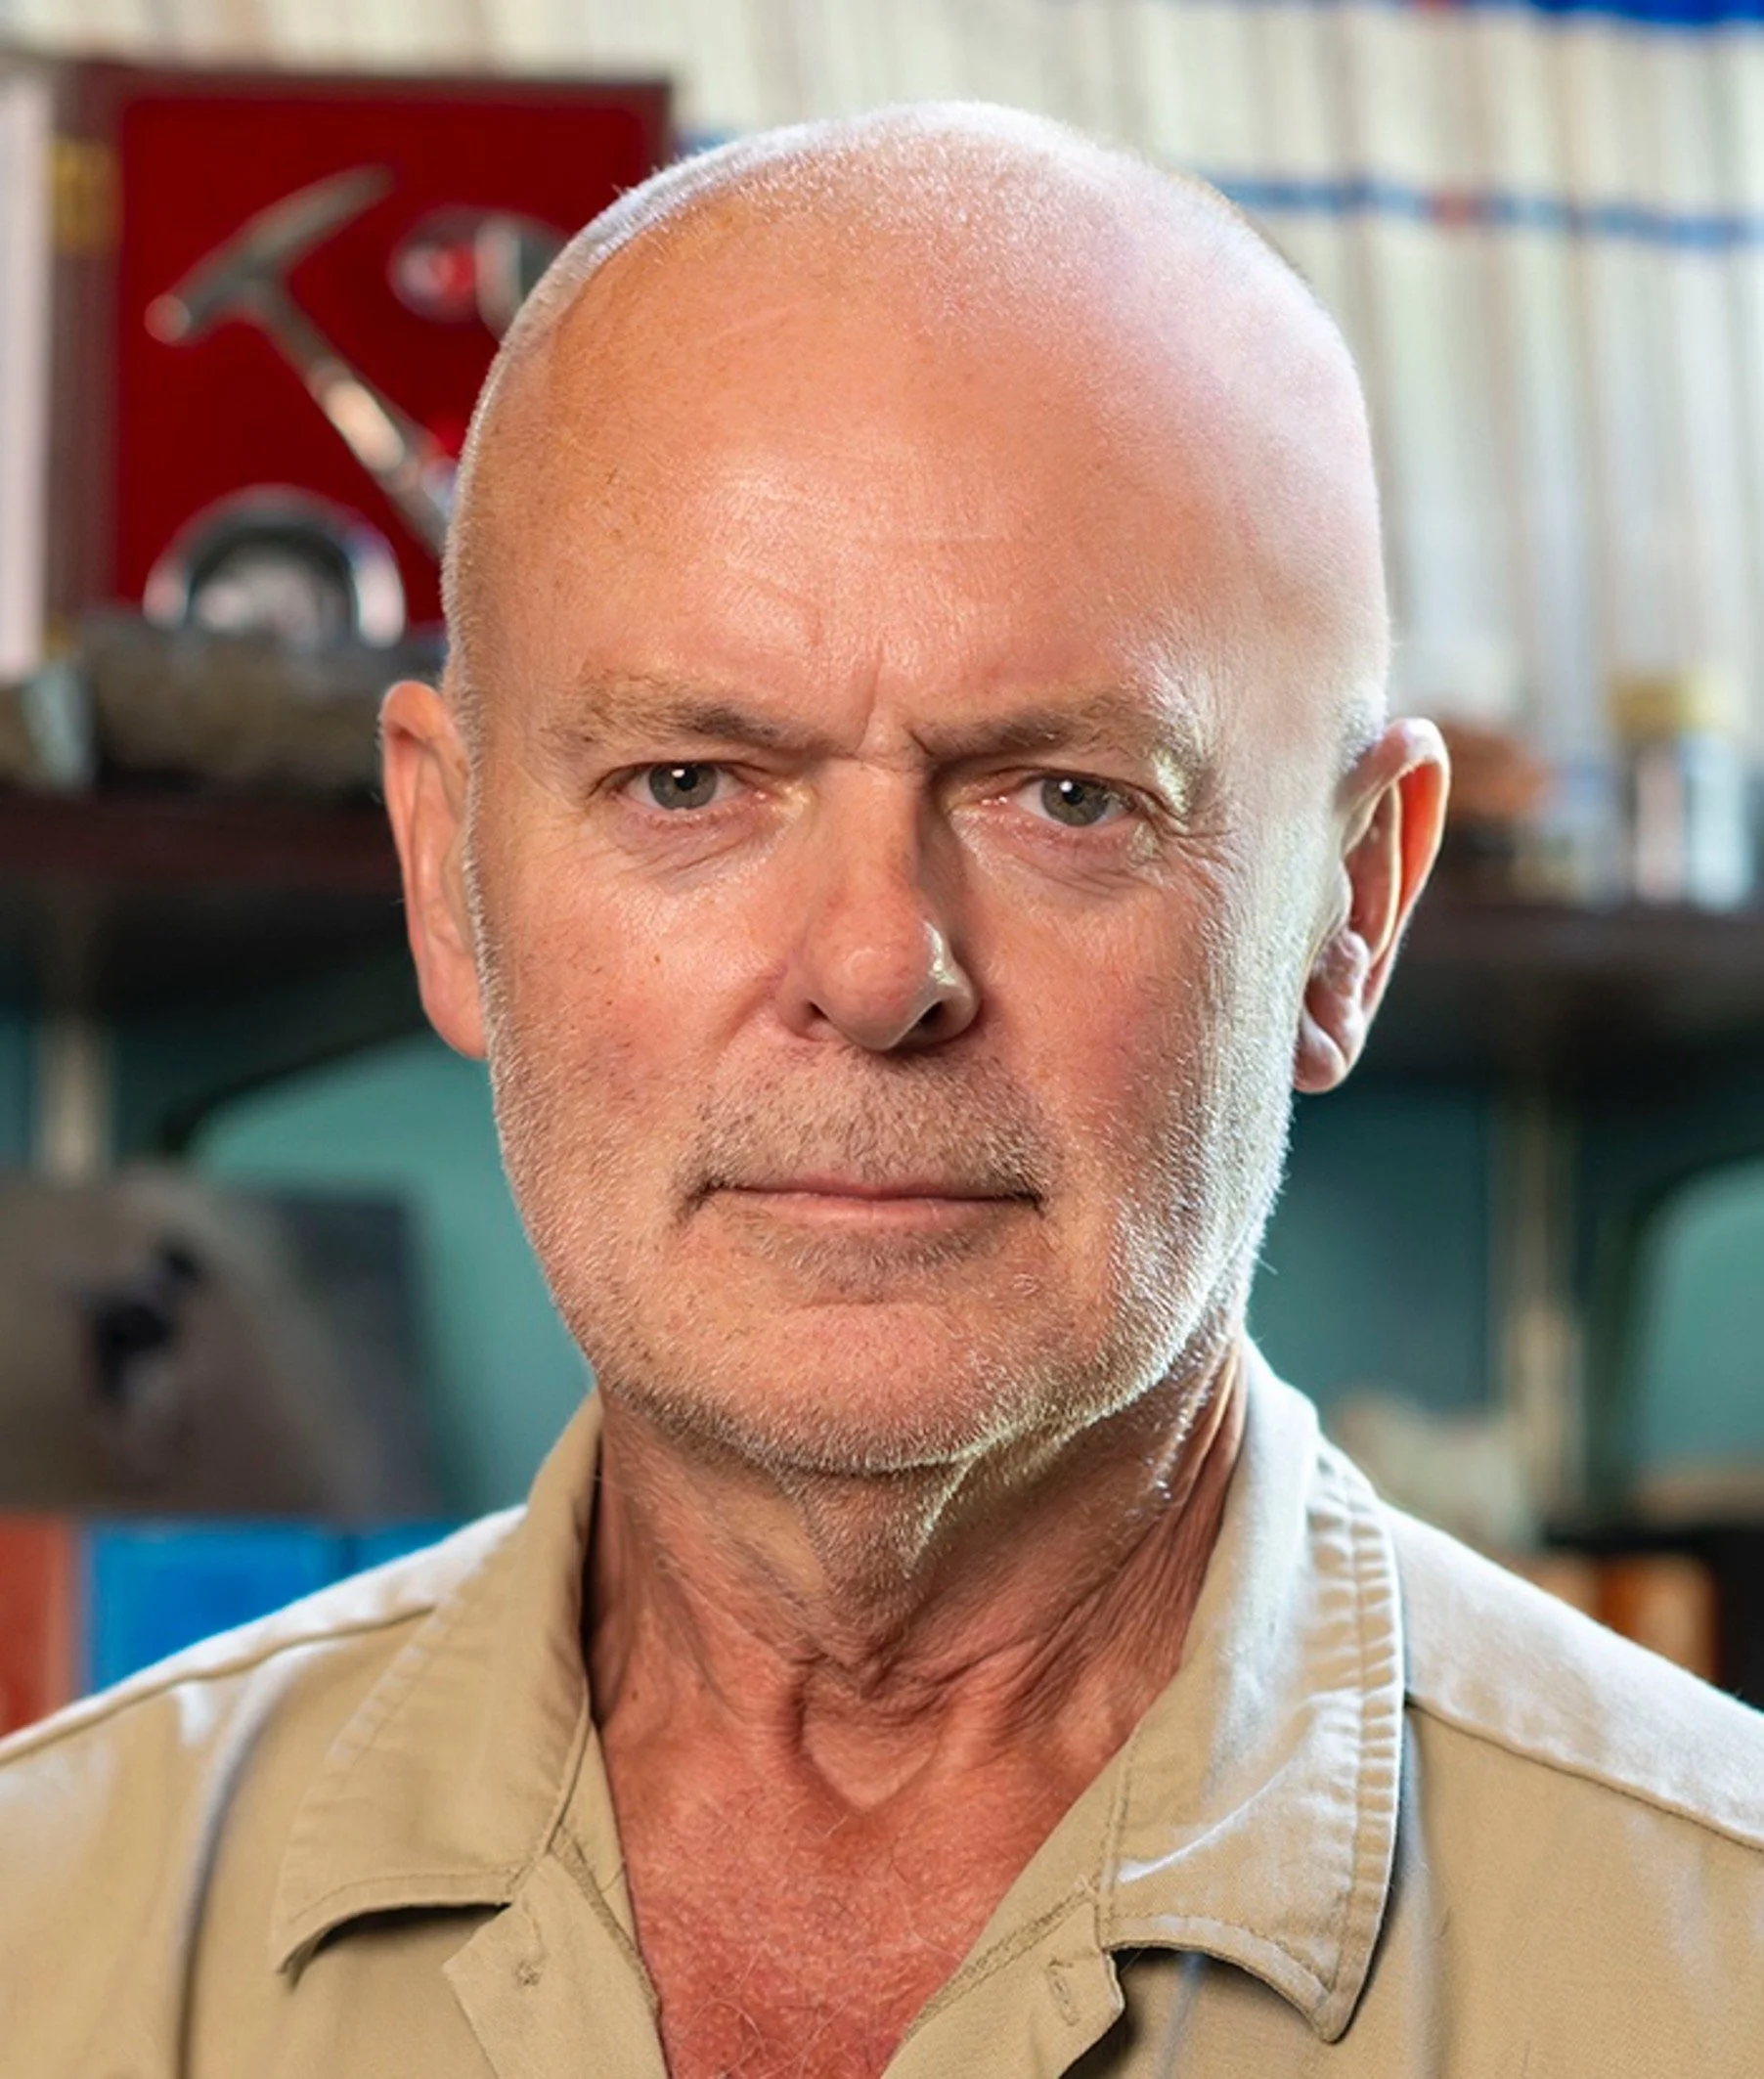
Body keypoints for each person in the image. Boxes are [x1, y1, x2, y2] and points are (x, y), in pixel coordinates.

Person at [3, 104, 1760, 2079]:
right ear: (446, 873)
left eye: (1065, 798)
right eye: (690, 781)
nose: (870, 970)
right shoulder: (46, 1938)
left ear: (1347, 908)